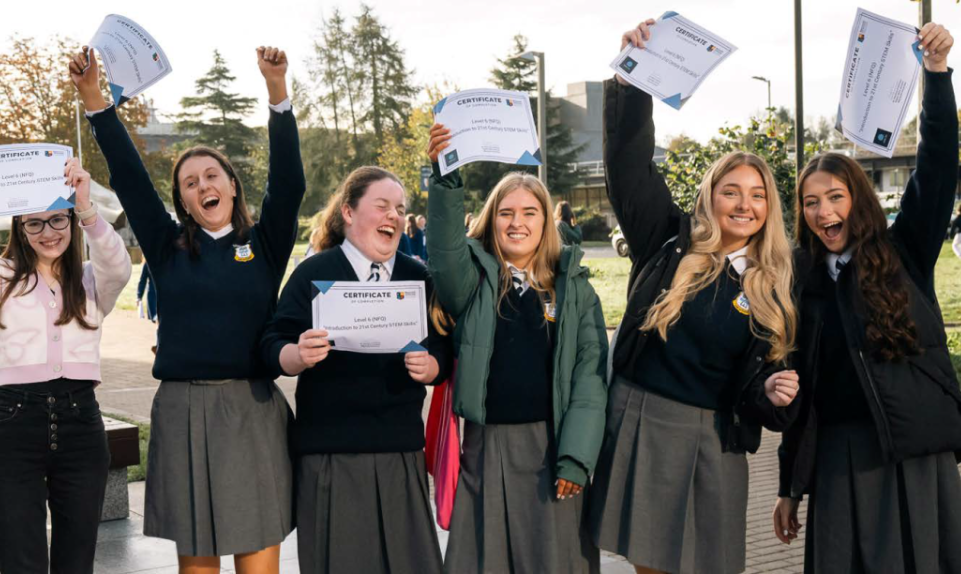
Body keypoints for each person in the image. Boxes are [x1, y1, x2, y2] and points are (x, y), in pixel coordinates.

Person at [70, 45, 303, 573]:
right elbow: (130, 178)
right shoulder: (168, 246)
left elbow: (289, 184)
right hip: (183, 412)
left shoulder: (264, 245)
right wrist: (94, 99)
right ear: (182, 200)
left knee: (256, 551)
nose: (203, 185)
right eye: (190, 182)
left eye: (212, 175)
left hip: (251, 411)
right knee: (198, 560)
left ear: (231, 184)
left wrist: (276, 90)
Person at [587, 19, 801, 574]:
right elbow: (628, 165)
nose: (744, 203)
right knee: (653, 566)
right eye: (731, 190)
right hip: (646, 421)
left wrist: (774, 392)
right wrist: (631, 79)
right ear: (710, 196)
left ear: (768, 209)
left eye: (757, 195)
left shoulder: (777, 281)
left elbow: (764, 388)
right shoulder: (665, 237)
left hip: (717, 441)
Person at [773, 23, 961, 574]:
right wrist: (790, 485)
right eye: (811, 203)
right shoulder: (803, 281)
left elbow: (935, 166)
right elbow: (803, 394)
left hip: (912, 454)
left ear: (856, 199)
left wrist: (935, 76)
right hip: (839, 465)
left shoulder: (905, 249)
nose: (822, 212)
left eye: (834, 197)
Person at [0, 158, 131, 573]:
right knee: (22, 557)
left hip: (81, 422)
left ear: (71, 221)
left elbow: (120, 265)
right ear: (19, 229)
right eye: (34, 223)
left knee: (76, 559)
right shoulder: (1, 275)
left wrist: (87, 210)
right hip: (15, 423)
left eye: (58, 219)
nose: (48, 232)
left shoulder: (93, 279)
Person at [425, 124, 608, 574]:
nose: (517, 222)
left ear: (547, 221)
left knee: (553, 561)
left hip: (553, 447)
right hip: (485, 448)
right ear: (492, 218)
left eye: (530, 212)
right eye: (506, 212)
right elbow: (446, 254)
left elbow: (590, 378)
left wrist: (577, 458)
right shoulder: (475, 280)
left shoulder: (575, 290)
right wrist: (445, 174)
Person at [262, 166, 450, 574]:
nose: (394, 217)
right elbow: (271, 344)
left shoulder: (417, 276)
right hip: (330, 454)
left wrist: (432, 365)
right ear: (348, 212)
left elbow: (443, 348)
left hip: (399, 450)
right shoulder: (314, 274)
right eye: (382, 206)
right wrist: (297, 353)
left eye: (400, 209)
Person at [136, 256, 159, 353]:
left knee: (160, 322)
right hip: (154, 298)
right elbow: (143, 280)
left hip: (163, 297)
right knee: (159, 322)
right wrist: (139, 296)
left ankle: (159, 346)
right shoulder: (148, 263)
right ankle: (159, 346)